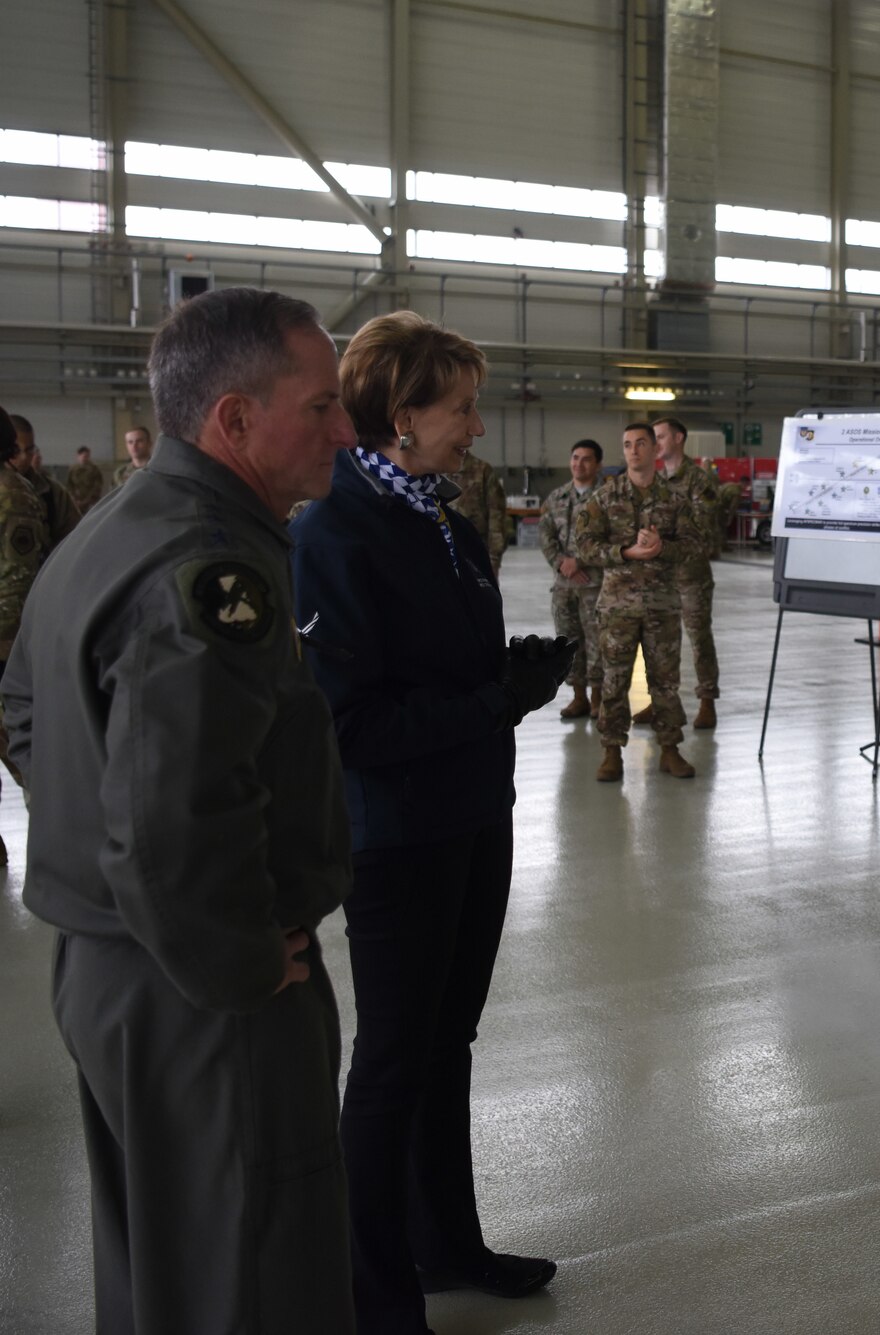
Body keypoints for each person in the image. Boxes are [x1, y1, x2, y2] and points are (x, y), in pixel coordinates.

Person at [1, 287, 358, 1333]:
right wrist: (242, 961)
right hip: (203, 995)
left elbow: (25, 710)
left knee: (167, 1262)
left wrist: (93, 849)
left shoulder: (118, 522)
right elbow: (176, 818)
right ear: (235, 420)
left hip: (114, 968)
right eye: (323, 406)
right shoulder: (209, 566)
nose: (345, 428)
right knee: (257, 1270)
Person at [291, 310, 570, 1333]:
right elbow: (350, 722)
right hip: (396, 833)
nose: (476, 427)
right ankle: (376, 1291)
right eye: (461, 408)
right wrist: (492, 702)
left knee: (446, 1041)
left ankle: (444, 1244)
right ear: (401, 416)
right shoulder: (333, 529)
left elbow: (442, 680)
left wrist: (512, 684)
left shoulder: (442, 522)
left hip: (470, 813)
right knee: (396, 1056)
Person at [576, 422, 697, 781]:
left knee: (665, 681)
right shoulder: (605, 497)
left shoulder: (675, 500)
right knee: (614, 680)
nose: (633, 450)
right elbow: (584, 544)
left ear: (654, 450)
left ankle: (670, 748)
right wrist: (625, 552)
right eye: (627, 444)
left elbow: (695, 546)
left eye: (641, 443)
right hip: (617, 606)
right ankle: (611, 751)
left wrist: (664, 548)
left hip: (662, 605)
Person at [648, 416, 724, 730]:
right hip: (659, 576)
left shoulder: (698, 480)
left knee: (698, 639)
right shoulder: (655, 481)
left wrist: (664, 541)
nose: (656, 444)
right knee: (658, 643)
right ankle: (659, 702)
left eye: (660, 437)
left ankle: (707, 702)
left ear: (678, 438)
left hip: (690, 576)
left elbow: (704, 532)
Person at [0, 408, 49, 847]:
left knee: (29, 764)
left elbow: (18, 586)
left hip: (8, 654)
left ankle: (61, 843)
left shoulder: (13, 496)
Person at [541, 438, 605, 720]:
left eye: (586, 459)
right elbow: (546, 536)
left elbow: (614, 537)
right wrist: (561, 563)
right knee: (569, 643)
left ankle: (598, 699)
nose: (579, 464)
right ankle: (578, 697)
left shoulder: (606, 497)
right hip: (564, 586)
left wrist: (580, 560)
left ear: (597, 464)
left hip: (595, 584)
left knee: (598, 643)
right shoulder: (556, 498)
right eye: (575, 458)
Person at [9, 416, 83, 548]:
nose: (24, 457)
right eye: (16, 450)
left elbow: (75, 540)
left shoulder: (52, 492)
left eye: (29, 449)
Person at [446, 446, 510, 572]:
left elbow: (496, 515)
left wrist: (494, 558)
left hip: (476, 552)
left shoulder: (482, 470)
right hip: (444, 553)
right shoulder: (435, 469)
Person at [68, 444, 107, 512]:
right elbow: (69, 485)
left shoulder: (94, 469)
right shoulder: (73, 469)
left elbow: (97, 486)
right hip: (77, 502)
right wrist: (74, 499)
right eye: (84, 456)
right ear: (78, 456)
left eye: (88, 456)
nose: (86, 458)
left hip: (91, 501)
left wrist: (87, 500)